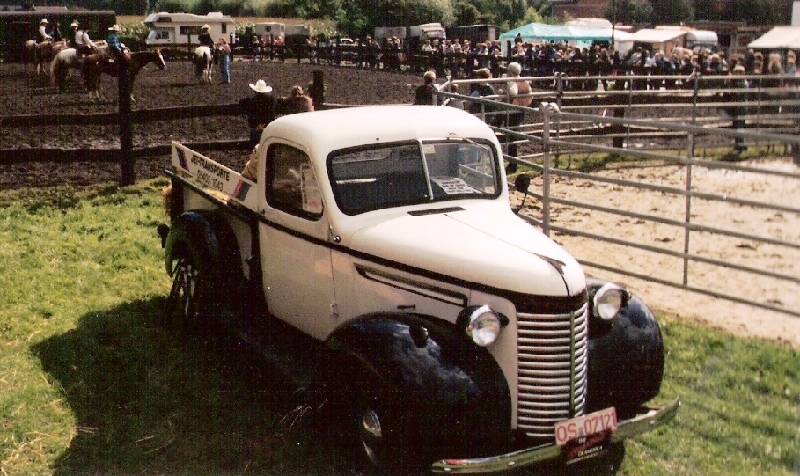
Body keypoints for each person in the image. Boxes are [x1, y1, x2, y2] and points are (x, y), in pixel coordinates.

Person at [239, 79, 278, 147]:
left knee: (255, 146)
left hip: (256, 126)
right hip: (268, 126)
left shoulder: (252, 101)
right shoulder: (272, 100)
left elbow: (242, 102)